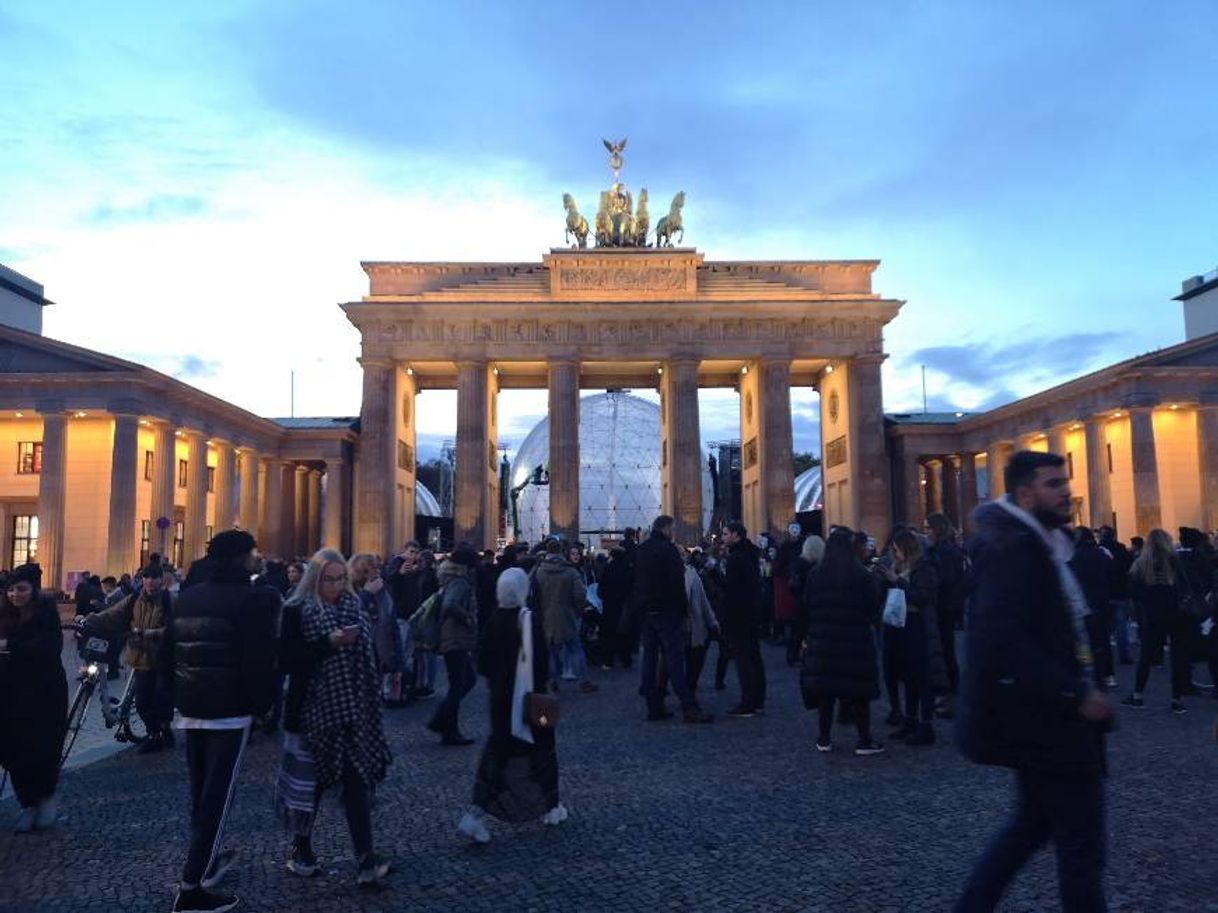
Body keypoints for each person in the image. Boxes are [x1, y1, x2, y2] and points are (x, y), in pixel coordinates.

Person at [955, 451, 1111, 912]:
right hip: (1051, 723)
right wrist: (1075, 691)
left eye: (1065, 481)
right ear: (1025, 493)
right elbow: (999, 639)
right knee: (1080, 853)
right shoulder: (1015, 549)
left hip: (1046, 723)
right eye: (1053, 484)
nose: (1066, 491)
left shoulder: (1040, 543)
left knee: (1029, 832)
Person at [169, 530, 279, 913]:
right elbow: (257, 661)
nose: (256, 557)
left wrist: (177, 698)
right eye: (252, 552)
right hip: (229, 712)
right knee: (218, 796)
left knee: (201, 794)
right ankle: (191, 886)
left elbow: (172, 652)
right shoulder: (252, 599)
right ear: (241, 557)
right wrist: (264, 705)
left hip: (191, 708)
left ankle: (204, 859)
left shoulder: (188, 596)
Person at [292, 548, 393, 887]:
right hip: (316, 713)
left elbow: (368, 656)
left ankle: (365, 859)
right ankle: (301, 848)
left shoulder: (354, 607)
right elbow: (289, 662)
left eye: (340, 579)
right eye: (328, 579)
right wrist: (327, 643)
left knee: (354, 783)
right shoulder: (298, 611)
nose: (335, 585)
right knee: (314, 787)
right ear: (314, 579)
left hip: (353, 712)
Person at [458, 567, 567, 844]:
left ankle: (476, 814)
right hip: (531, 699)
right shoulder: (529, 620)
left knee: (497, 755)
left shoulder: (493, 620)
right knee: (543, 751)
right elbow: (541, 663)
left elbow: (481, 663)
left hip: (500, 699)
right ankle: (553, 807)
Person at [800, 529, 885, 755]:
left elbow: (807, 605)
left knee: (826, 693)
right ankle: (864, 739)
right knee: (859, 693)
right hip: (854, 640)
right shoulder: (862, 576)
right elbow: (873, 606)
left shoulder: (816, 574)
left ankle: (824, 738)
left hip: (824, 639)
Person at [0, 564, 68, 833]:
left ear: (33, 590)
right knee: (14, 750)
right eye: (12, 589)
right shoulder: (4, 615)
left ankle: (45, 798)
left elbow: (48, 649)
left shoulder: (46, 615)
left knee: (43, 749)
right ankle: (27, 803)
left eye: (22, 589)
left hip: (44, 695)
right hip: (10, 694)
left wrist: (10, 647)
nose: (16, 594)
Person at [81, 562, 176, 752]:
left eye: (154, 578)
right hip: (140, 658)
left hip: (163, 659)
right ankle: (154, 733)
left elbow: (176, 628)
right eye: (146, 578)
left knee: (161, 699)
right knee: (142, 702)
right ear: (142, 580)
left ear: (161, 580)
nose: (149, 582)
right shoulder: (134, 600)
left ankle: (164, 729)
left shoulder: (169, 600)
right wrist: (89, 619)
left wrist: (151, 634)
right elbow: (113, 615)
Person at [632, 516, 713, 724]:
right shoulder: (668, 550)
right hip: (667, 611)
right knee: (674, 660)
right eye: (673, 529)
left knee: (649, 660)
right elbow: (677, 583)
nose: (674, 533)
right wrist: (682, 610)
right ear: (667, 528)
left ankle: (654, 707)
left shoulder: (640, 550)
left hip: (646, 612)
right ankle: (689, 706)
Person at [876, 528, 946, 745]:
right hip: (901, 627)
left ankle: (925, 725)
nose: (894, 554)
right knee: (908, 676)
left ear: (906, 549)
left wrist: (897, 581)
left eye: (897, 550)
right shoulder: (901, 567)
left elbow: (923, 597)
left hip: (918, 627)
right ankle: (910, 719)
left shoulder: (923, 568)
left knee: (921, 677)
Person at [1121, 529, 1191, 713]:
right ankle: (1176, 700)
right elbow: (1185, 587)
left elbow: (1133, 591)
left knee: (1145, 657)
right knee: (1177, 658)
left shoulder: (1141, 564)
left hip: (1152, 615)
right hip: (1175, 614)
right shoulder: (1174, 562)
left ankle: (1138, 695)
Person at [427, 545, 480, 745]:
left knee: (466, 681)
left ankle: (443, 722)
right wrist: (467, 617)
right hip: (455, 638)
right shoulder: (460, 582)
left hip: (452, 639)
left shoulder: (450, 579)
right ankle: (446, 726)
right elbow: (450, 605)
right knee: (459, 684)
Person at [532, 539, 597, 694]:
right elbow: (581, 594)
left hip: (547, 617)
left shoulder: (540, 572)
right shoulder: (570, 571)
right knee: (576, 649)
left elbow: (534, 595)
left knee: (552, 652)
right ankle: (584, 681)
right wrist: (578, 609)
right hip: (567, 616)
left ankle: (552, 682)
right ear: (562, 551)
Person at [926, 513, 969, 717]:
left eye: (928, 528)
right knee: (945, 650)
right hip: (948, 606)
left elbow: (947, 579)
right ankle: (951, 694)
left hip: (943, 606)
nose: (926, 531)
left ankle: (952, 695)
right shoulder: (948, 550)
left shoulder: (943, 552)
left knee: (945, 651)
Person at [348, 553, 405, 704]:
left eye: (377, 568)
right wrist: (367, 595)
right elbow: (350, 617)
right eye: (370, 569)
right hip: (356, 661)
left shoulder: (384, 596)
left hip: (379, 659)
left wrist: (398, 664)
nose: (376, 572)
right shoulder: (349, 594)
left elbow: (393, 629)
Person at [723, 521, 766, 718]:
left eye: (725, 534)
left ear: (736, 535)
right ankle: (758, 700)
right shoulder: (751, 554)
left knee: (743, 659)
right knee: (754, 657)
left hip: (738, 615)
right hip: (753, 612)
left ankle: (747, 702)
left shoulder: (735, 558)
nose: (722, 538)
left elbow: (731, 589)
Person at [1069, 528, 1114, 689]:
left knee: (1084, 641)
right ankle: (1108, 674)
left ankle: (1089, 673)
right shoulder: (1101, 554)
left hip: (1085, 602)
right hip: (1102, 600)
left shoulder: (1075, 556)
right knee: (1104, 640)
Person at [1097, 526, 1135, 665]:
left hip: (1104, 592)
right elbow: (1130, 568)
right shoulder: (1122, 549)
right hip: (1120, 591)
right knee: (1121, 626)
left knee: (1104, 628)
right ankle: (1124, 655)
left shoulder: (1098, 550)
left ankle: (1105, 657)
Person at [597, 547, 634, 670]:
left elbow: (600, 590)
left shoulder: (607, 569)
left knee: (608, 634)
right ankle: (626, 660)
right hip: (625, 605)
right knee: (625, 633)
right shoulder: (629, 569)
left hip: (610, 606)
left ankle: (608, 661)